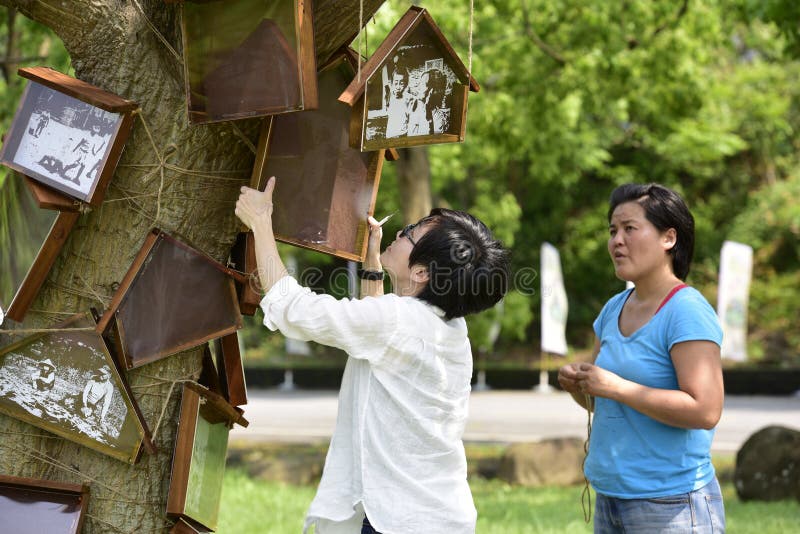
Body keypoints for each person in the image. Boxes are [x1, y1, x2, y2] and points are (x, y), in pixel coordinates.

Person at [236, 177, 510, 534]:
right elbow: (377, 338)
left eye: (410, 232)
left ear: (422, 272)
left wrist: (260, 221)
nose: (400, 232)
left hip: (399, 522)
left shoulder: (398, 322)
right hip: (441, 515)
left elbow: (295, 309)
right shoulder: (452, 330)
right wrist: (371, 262)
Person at [558, 183, 725, 533]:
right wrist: (579, 385)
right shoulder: (613, 308)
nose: (617, 240)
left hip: (674, 504)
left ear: (669, 238)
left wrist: (618, 388)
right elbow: (602, 402)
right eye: (613, 231)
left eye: (630, 229)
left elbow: (706, 410)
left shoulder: (687, 311)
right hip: (611, 499)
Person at [407, 69, 448, 136]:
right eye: (420, 82)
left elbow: (432, 143)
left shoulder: (438, 118)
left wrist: (427, 110)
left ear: (432, 90)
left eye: (423, 84)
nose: (418, 87)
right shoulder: (411, 106)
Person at [384, 67, 410, 138]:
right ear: (392, 83)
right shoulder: (390, 96)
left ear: (406, 84)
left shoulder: (408, 99)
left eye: (401, 83)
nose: (398, 87)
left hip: (403, 134)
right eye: (396, 83)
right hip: (390, 134)